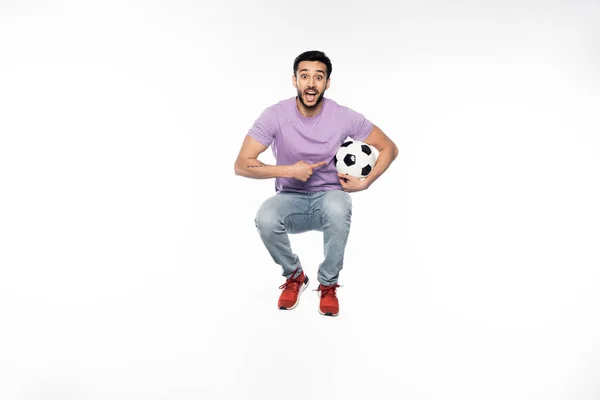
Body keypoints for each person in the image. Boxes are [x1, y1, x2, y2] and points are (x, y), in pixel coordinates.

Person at [234, 50, 398, 317]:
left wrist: (366, 183)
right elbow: (242, 164)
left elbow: (389, 147)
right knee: (265, 217)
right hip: (290, 200)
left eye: (318, 77)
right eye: (304, 76)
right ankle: (295, 275)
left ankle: (328, 283)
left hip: (330, 198)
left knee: (336, 205)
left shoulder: (343, 116)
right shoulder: (274, 115)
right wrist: (290, 170)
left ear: (327, 83)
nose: (311, 83)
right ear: (294, 80)